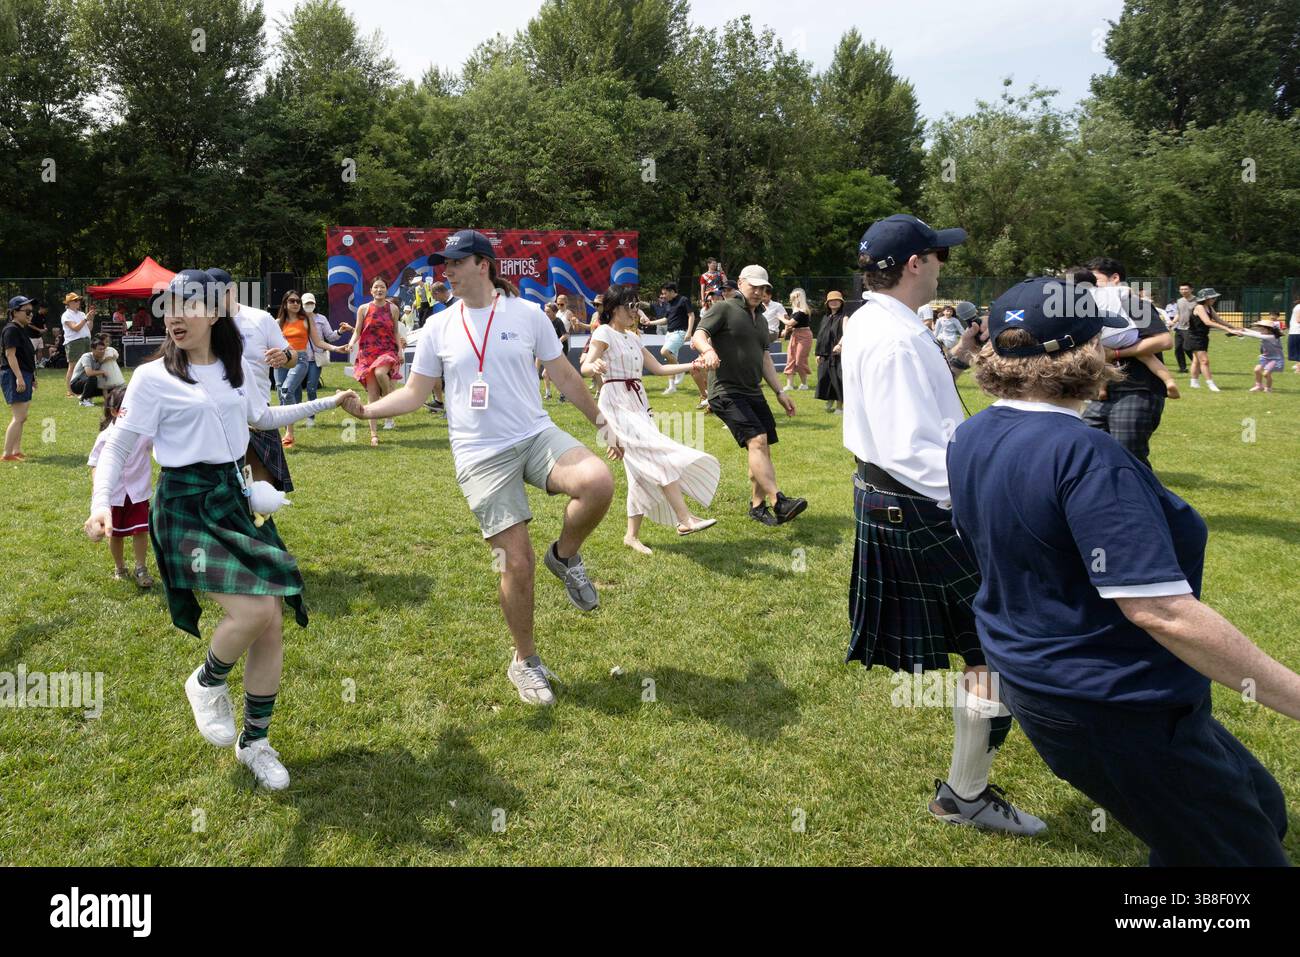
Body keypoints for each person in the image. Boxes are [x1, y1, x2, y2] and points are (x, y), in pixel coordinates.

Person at [948, 276, 1299, 865]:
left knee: (1262, 806)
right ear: (1088, 355)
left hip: (1055, 686)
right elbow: (1163, 613)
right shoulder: (1085, 456)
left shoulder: (972, 433)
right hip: (1113, 703)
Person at [84, 270, 354, 790]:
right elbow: (119, 446)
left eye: (189, 305)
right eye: (171, 307)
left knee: (270, 619)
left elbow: (262, 416)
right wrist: (103, 506)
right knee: (253, 610)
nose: (176, 316)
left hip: (232, 498)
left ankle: (255, 742)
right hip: (185, 503)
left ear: (215, 313)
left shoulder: (234, 368)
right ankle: (206, 681)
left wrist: (328, 402)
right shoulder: (152, 376)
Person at [337, 230, 620, 707]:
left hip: (534, 434)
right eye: (443, 263)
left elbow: (565, 375)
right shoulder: (439, 327)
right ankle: (525, 661)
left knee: (598, 482)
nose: (444, 271)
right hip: (479, 453)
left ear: (483, 265)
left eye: (454, 262)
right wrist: (367, 412)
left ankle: (566, 555)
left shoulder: (528, 314)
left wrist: (601, 422)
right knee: (516, 561)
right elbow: (415, 393)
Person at [843, 214, 1045, 835]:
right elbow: (912, 448)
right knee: (998, 640)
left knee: (986, 645)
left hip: (894, 501)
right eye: (938, 257)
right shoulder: (897, 337)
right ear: (913, 265)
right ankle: (966, 796)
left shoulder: (873, 321)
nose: (941, 268)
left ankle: (966, 790)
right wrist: (986, 497)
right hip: (916, 502)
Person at [582, 285, 719, 554]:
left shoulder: (633, 338)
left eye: (636, 306)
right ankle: (684, 519)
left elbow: (657, 368)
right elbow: (585, 366)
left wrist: (692, 365)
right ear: (612, 309)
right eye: (629, 306)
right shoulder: (603, 331)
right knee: (659, 454)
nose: (635, 311)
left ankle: (631, 536)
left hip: (638, 403)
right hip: (616, 403)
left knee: (639, 472)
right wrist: (593, 366)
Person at [692, 265, 805, 527]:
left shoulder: (763, 319)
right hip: (726, 390)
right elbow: (699, 334)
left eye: (763, 287)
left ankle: (757, 506)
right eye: (753, 285)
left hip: (753, 391)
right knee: (757, 440)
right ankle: (779, 501)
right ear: (741, 283)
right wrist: (707, 351)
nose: (758, 291)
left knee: (762, 448)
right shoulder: (724, 308)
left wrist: (779, 392)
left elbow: (764, 357)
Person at [1079, 258, 1175, 468]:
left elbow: (1164, 341)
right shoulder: (1091, 309)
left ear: (1115, 278)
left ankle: (1144, 497)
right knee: (1088, 449)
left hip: (1137, 389)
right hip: (1101, 393)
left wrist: (1117, 353)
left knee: (1129, 454)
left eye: (1095, 280)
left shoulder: (1134, 305)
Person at [207, 268, 298, 491]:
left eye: (222, 291)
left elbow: (293, 357)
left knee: (259, 491)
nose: (218, 297)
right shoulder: (201, 323)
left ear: (233, 290)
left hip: (256, 415)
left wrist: (283, 356)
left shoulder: (260, 318)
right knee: (221, 490)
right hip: (214, 415)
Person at [88, 386, 154, 588]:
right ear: (115, 411)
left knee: (140, 531)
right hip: (115, 495)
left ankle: (141, 568)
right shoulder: (105, 437)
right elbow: (95, 464)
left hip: (138, 492)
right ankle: (120, 567)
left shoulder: (145, 434)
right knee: (114, 533)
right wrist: (98, 493)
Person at [276, 290, 347, 447]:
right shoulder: (277, 322)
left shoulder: (307, 319)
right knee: (282, 391)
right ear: (285, 304)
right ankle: (286, 421)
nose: (295, 304)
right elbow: (269, 343)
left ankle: (290, 432)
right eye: (292, 301)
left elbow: (319, 341)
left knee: (288, 390)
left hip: (301, 359)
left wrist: (336, 349)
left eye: (297, 301)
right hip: (282, 359)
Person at [346, 277, 403, 445]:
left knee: (380, 372)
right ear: (371, 291)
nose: (379, 290)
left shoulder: (393, 308)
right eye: (376, 287)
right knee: (372, 397)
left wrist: (400, 350)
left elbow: (396, 332)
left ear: (387, 290)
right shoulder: (363, 309)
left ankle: (387, 397)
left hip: (387, 351)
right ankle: (373, 435)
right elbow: (357, 331)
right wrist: (350, 343)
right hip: (367, 353)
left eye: (382, 287)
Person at [1186, 287, 1243, 392]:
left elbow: (1218, 320)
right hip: (1195, 337)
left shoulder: (1209, 307)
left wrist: (1234, 327)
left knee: (1196, 361)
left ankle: (1194, 383)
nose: (1214, 299)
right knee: (1204, 361)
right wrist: (1227, 329)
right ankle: (1211, 384)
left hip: (1202, 337)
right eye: (1212, 298)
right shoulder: (1199, 307)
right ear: (1206, 298)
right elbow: (1208, 322)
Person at [301, 291, 348, 415]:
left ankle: (311, 416)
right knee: (294, 389)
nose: (309, 305)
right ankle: (294, 415)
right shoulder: (296, 319)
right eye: (306, 303)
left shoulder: (321, 319)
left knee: (311, 388)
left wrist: (340, 331)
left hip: (316, 358)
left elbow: (330, 336)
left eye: (311, 303)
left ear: (315, 304)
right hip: (299, 358)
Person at [3, 296, 37, 461]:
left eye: (32, 311)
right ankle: (7, 454)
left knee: (22, 416)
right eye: (27, 311)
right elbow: (10, 355)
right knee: (19, 417)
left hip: (24, 374)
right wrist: (19, 377)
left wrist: (32, 377)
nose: (31, 314)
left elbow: (26, 356)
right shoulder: (11, 330)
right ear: (15, 312)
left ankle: (16, 451)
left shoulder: (20, 329)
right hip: (14, 374)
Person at [657, 282, 696, 396]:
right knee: (670, 360)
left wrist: (689, 331)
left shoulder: (683, 300)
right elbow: (665, 320)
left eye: (665, 293)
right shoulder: (668, 304)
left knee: (664, 352)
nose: (663, 296)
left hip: (680, 333)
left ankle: (681, 369)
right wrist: (650, 322)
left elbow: (691, 315)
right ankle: (671, 387)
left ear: (672, 291)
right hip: (669, 334)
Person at [70, 335, 126, 406]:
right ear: (93, 349)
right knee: (93, 378)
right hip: (76, 385)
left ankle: (111, 400)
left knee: (111, 386)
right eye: (100, 349)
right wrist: (102, 372)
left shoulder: (100, 358)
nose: (102, 351)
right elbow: (89, 373)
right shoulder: (86, 357)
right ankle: (83, 400)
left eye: (103, 349)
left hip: (88, 382)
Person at [815, 291, 846, 413]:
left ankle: (839, 406)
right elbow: (821, 336)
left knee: (838, 379)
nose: (833, 302)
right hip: (825, 354)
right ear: (827, 303)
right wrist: (818, 353)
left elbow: (846, 333)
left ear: (841, 302)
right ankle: (830, 399)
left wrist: (840, 345)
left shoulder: (844, 317)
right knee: (825, 378)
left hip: (838, 354)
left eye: (836, 300)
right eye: (831, 301)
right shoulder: (826, 318)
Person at [61, 292, 95, 397]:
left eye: (79, 300)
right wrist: (85, 319)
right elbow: (75, 328)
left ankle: (81, 389)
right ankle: (70, 391)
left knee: (86, 366)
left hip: (86, 341)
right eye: (75, 300)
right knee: (73, 366)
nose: (78, 302)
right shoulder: (66, 315)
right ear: (69, 303)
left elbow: (89, 328)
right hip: (74, 342)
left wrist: (91, 319)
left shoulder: (81, 314)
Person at [779, 288, 814, 391]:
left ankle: (804, 384)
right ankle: (789, 385)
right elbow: (790, 325)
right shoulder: (795, 311)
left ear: (800, 299)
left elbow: (790, 323)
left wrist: (780, 317)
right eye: (792, 298)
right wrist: (785, 332)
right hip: (795, 335)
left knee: (799, 360)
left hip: (804, 336)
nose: (793, 300)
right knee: (791, 359)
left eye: (795, 298)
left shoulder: (803, 311)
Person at [1246, 315, 1285, 392]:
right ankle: (1259, 386)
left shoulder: (1272, 337)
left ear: (1269, 330)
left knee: (1266, 374)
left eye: (1262, 329)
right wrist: (1243, 329)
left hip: (1275, 359)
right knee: (1257, 370)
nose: (1261, 331)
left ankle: (1268, 388)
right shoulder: (1265, 334)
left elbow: (1255, 335)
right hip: (1265, 357)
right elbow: (1255, 333)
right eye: (1260, 329)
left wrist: (1242, 332)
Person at [540, 302, 567, 401]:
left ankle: (560, 394)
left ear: (554, 312)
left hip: (559, 351)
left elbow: (565, 335)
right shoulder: (545, 322)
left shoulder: (558, 321)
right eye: (545, 311)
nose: (545, 313)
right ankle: (552, 394)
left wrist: (556, 342)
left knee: (548, 374)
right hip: (549, 351)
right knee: (546, 374)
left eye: (548, 312)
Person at [1170, 283, 1196, 373]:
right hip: (1180, 328)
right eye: (1181, 289)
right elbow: (1178, 313)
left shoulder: (1197, 301)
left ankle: (1197, 365)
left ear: (1191, 289)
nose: (1183, 291)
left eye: (1186, 289)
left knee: (1187, 348)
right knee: (1178, 349)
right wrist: (1173, 322)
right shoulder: (1179, 301)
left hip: (1191, 328)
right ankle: (1183, 368)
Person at [1288, 297, 1300, 374]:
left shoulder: (1298, 306)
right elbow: (1299, 320)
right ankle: (1299, 369)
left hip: (1295, 331)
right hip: (1298, 331)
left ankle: (1298, 366)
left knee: (1297, 352)